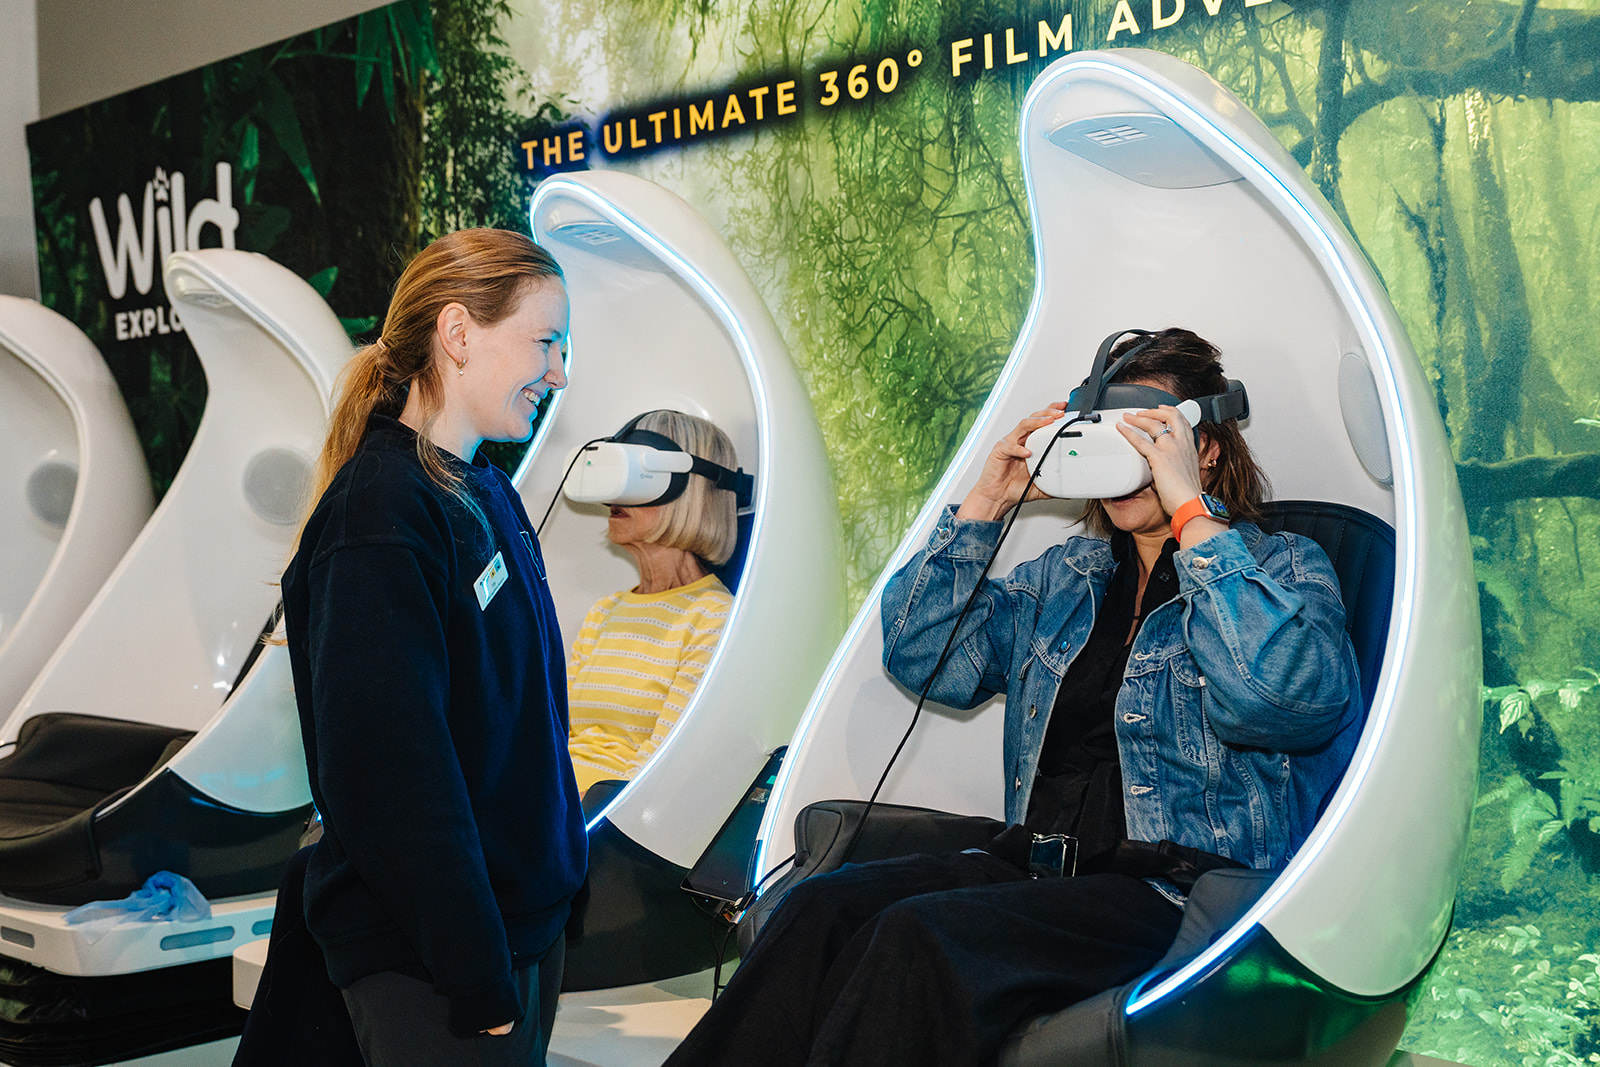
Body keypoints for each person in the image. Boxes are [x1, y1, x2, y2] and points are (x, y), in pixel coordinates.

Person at [665, 327, 1364, 1066]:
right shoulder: (1068, 576)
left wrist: (1193, 515)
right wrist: (987, 499)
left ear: (1207, 449)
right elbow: (922, 653)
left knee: (920, 938)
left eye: (1149, 432)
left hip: (1171, 892)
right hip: (1034, 869)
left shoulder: (1282, 567)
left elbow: (1282, 699)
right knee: (816, 908)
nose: (1126, 453)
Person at [280, 228, 586, 1066]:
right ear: (457, 333)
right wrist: (476, 969)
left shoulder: (480, 487)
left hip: (512, 929)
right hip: (435, 961)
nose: (558, 373)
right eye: (545, 342)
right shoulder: (381, 515)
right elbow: (391, 777)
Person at [567, 411, 738, 796]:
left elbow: (661, 768)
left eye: (636, 477)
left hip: (600, 822)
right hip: (548, 804)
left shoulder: (713, 620)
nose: (614, 495)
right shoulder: (605, 612)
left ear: (690, 491)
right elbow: (558, 735)